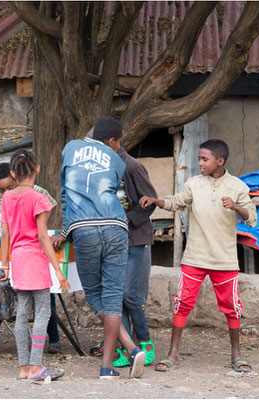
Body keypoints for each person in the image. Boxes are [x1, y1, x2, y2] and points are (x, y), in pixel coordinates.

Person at [139, 139, 257, 373]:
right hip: (194, 257)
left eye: (205, 159)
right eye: (199, 159)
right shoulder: (194, 184)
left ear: (219, 161)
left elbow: (252, 218)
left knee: (232, 307)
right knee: (182, 303)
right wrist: (156, 201)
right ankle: (173, 354)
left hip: (224, 259)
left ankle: (236, 355)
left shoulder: (237, 186)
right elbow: (176, 202)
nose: (200, 163)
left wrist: (236, 207)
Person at [54, 116, 146, 380]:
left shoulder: (70, 148)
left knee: (95, 295)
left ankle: (127, 350)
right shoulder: (117, 161)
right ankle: (112, 363)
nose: (119, 148)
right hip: (116, 226)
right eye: (119, 143)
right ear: (110, 141)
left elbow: (66, 193)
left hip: (83, 227)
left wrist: (64, 231)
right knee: (113, 295)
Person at [0, 150, 70, 380]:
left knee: (22, 313)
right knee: (42, 312)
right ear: (37, 169)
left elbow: (5, 233)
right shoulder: (40, 199)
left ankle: (23, 368)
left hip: (18, 260)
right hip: (36, 261)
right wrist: (58, 270)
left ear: (12, 173)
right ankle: (37, 366)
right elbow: (42, 236)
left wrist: (5, 266)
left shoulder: (7, 198)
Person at [0, 162, 62, 354]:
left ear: (15, 175)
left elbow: (40, 231)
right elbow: (5, 231)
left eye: (9, 186)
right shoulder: (6, 194)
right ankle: (33, 361)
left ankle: (30, 361)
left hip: (21, 254)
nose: (6, 191)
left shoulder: (36, 193)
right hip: (23, 254)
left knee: (33, 308)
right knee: (29, 307)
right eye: (2, 189)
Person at [112, 144, 158, 368]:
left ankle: (145, 340)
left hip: (135, 238)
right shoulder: (103, 168)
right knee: (117, 296)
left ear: (111, 142)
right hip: (112, 239)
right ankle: (126, 348)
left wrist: (127, 219)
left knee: (129, 293)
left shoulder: (132, 166)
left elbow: (150, 202)